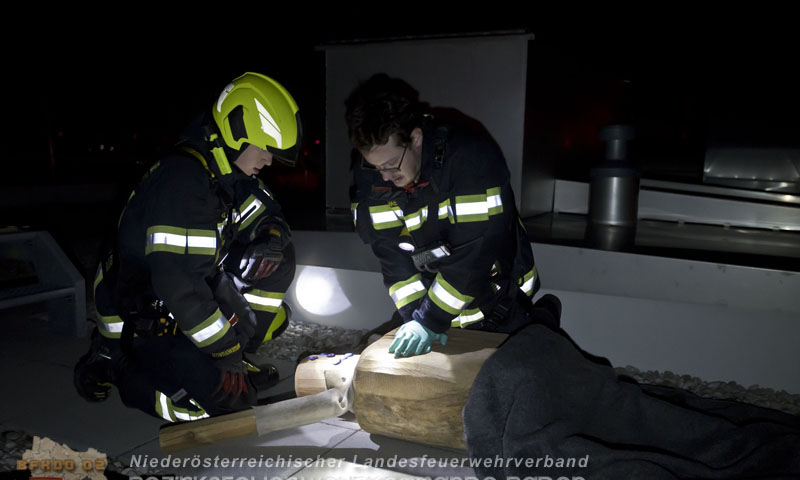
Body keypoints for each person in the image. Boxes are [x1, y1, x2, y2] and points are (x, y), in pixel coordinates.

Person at [74, 72, 302, 421]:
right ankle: (114, 365)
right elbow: (178, 286)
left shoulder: (226, 173)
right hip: (141, 315)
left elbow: (270, 214)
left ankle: (236, 354)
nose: (269, 161)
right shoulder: (183, 183)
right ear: (237, 133)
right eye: (266, 149)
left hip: (180, 304)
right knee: (225, 406)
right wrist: (223, 350)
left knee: (280, 257)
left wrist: (271, 237)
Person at [346, 74, 558, 358]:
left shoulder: (472, 161)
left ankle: (543, 319)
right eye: (376, 167)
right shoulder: (372, 175)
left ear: (416, 139)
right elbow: (391, 255)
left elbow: (474, 257)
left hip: (499, 295)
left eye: (391, 164)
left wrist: (429, 321)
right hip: (435, 294)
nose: (385, 176)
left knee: (523, 369)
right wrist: (414, 317)